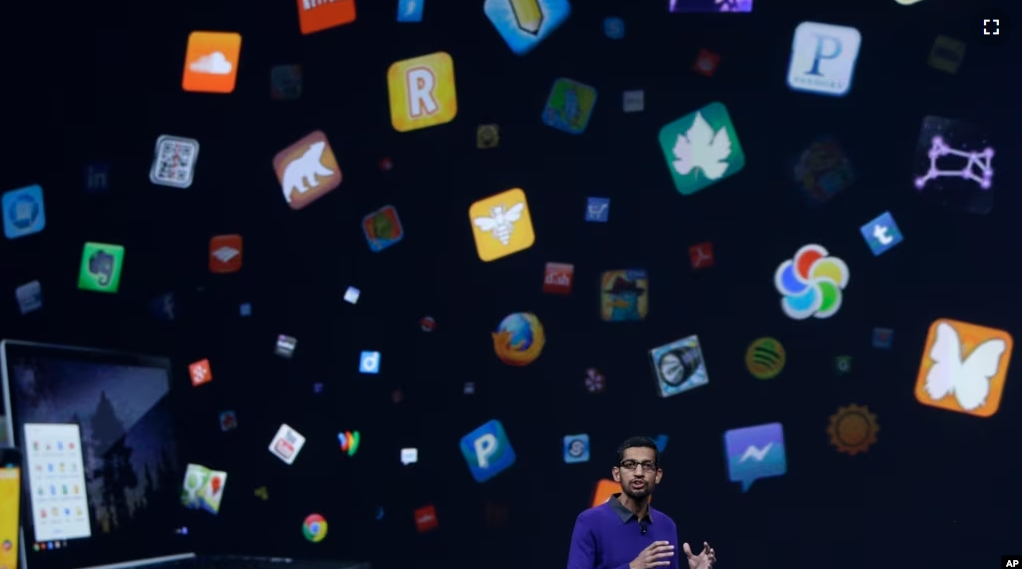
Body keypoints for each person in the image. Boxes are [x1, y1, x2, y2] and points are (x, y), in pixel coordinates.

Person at [566, 436, 716, 569]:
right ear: (617, 474)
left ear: (658, 476)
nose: (638, 473)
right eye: (630, 464)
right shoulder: (589, 521)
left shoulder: (667, 525)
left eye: (647, 465)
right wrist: (633, 567)